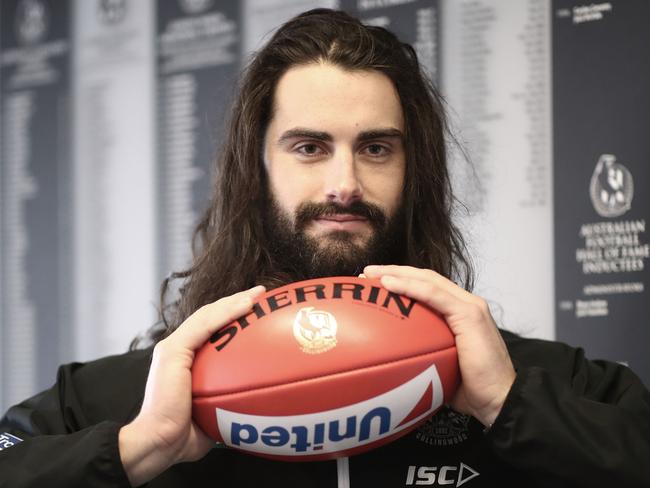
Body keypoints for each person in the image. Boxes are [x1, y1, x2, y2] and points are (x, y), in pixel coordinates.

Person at [1, 8, 649, 488]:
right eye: (309, 147)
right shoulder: (143, 395)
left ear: (412, 170)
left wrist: (508, 406)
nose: (345, 184)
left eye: (376, 148)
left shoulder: (513, 379)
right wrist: (140, 448)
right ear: (254, 171)